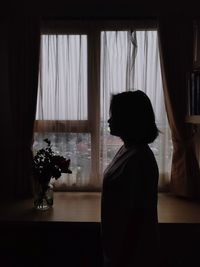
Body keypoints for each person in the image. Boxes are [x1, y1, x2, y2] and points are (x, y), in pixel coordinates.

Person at [101, 90, 160, 267]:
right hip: (118, 248)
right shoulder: (128, 149)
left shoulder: (139, 158)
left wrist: (122, 258)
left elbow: (137, 216)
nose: (109, 120)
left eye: (115, 115)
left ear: (130, 119)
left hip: (130, 255)